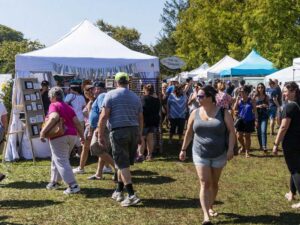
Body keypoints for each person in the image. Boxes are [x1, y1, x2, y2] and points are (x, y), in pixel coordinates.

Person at [179, 85, 235, 225]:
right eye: (197, 96)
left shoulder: (223, 112)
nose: (197, 98)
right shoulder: (195, 112)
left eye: (201, 96)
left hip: (219, 153)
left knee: (214, 183)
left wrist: (230, 150)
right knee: (205, 183)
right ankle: (206, 216)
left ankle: (210, 206)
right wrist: (183, 149)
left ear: (210, 97)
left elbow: (232, 132)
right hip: (199, 153)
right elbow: (189, 132)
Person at [98, 72, 142, 207]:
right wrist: (139, 135)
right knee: (122, 163)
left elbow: (104, 116)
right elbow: (141, 118)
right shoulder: (135, 97)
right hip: (133, 130)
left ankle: (131, 194)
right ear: (128, 82)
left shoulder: (110, 95)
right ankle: (118, 190)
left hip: (119, 131)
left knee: (122, 164)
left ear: (116, 82)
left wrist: (100, 134)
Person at [40, 87, 84, 194]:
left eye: (50, 97)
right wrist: (82, 136)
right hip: (72, 136)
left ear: (53, 97)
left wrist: (43, 132)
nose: (50, 99)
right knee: (57, 159)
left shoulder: (53, 105)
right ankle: (54, 182)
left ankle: (73, 185)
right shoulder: (68, 107)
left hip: (59, 136)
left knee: (61, 160)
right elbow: (77, 123)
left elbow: (54, 117)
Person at [272, 82, 300, 208]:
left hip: (291, 143)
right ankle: (292, 193)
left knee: (295, 169)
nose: (283, 93)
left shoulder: (290, 107)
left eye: (285, 91)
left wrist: (275, 143)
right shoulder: (296, 105)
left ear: (293, 91)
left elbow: (283, 127)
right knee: (294, 168)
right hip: (298, 140)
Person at [89, 82, 116, 180]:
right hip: (102, 127)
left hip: (102, 127)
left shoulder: (102, 96)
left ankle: (117, 169)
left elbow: (102, 112)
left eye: (93, 89)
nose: (92, 91)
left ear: (98, 89)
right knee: (102, 150)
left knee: (95, 147)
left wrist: (98, 128)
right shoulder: (102, 96)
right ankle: (98, 174)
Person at [72, 84, 97, 174]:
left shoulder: (91, 103)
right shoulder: (93, 101)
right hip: (92, 127)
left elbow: (91, 118)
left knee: (85, 148)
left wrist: (89, 131)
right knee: (98, 149)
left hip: (90, 127)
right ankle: (105, 167)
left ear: (86, 93)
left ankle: (81, 168)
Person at [137, 84, 160, 161]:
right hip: (154, 121)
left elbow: (142, 111)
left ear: (145, 90)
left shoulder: (143, 98)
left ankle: (140, 155)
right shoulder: (157, 100)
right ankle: (149, 155)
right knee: (150, 138)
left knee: (142, 138)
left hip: (144, 121)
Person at [233, 85, 258, 158]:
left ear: (247, 92)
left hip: (249, 120)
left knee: (247, 136)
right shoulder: (239, 100)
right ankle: (243, 147)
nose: (241, 93)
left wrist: (256, 120)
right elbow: (234, 109)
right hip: (240, 120)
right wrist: (237, 101)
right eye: (240, 92)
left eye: (242, 92)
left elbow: (255, 111)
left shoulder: (251, 100)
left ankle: (247, 151)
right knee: (239, 136)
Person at [254, 83, 269, 153]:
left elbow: (268, 106)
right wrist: (258, 106)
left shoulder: (266, 96)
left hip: (264, 116)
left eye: (262, 87)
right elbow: (252, 106)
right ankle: (260, 145)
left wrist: (265, 105)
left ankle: (264, 146)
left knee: (263, 131)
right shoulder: (255, 96)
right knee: (259, 132)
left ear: (264, 88)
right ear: (257, 88)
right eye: (259, 87)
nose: (260, 89)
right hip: (257, 116)